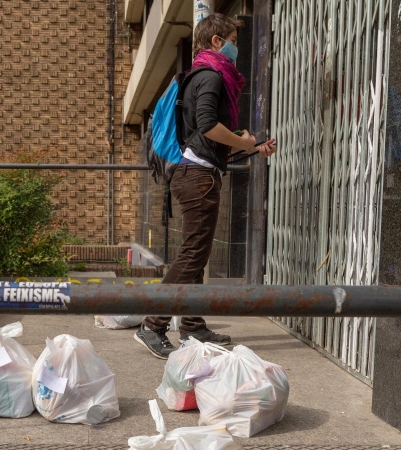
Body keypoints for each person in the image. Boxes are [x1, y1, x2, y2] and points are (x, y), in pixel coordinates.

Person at [135, 13, 277, 359]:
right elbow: (208, 126)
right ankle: (151, 325)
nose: (236, 47)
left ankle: (193, 326)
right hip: (196, 177)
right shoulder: (211, 76)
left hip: (197, 173)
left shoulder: (201, 75)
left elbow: (206, 137)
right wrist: (244, 143)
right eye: (233, 40)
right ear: (217, 41)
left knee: (197, 255)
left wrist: (253, 148)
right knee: (192, 255)